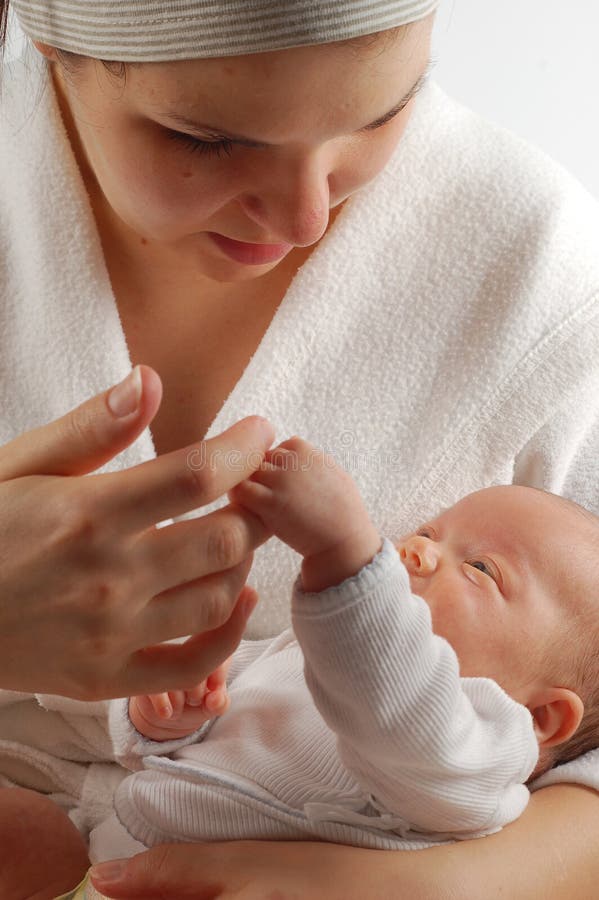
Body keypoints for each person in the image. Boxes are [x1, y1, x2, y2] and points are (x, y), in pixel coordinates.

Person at [0, 1, 598, 897]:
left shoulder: (538, 273)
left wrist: (446, 888)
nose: (305, 214)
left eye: (381, 113)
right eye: (204, 140)